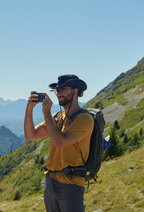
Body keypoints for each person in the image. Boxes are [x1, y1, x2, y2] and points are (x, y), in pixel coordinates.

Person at [24, 74, 94, 212]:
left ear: (75, 91)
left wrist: (46, 113)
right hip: (51, 181)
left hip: (70, 184)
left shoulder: (84, 119)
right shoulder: (57, 117)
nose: (59, 93)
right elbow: (30, 135)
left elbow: (60, 142)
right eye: (57, 90)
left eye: (63, 89)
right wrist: (29, 109)